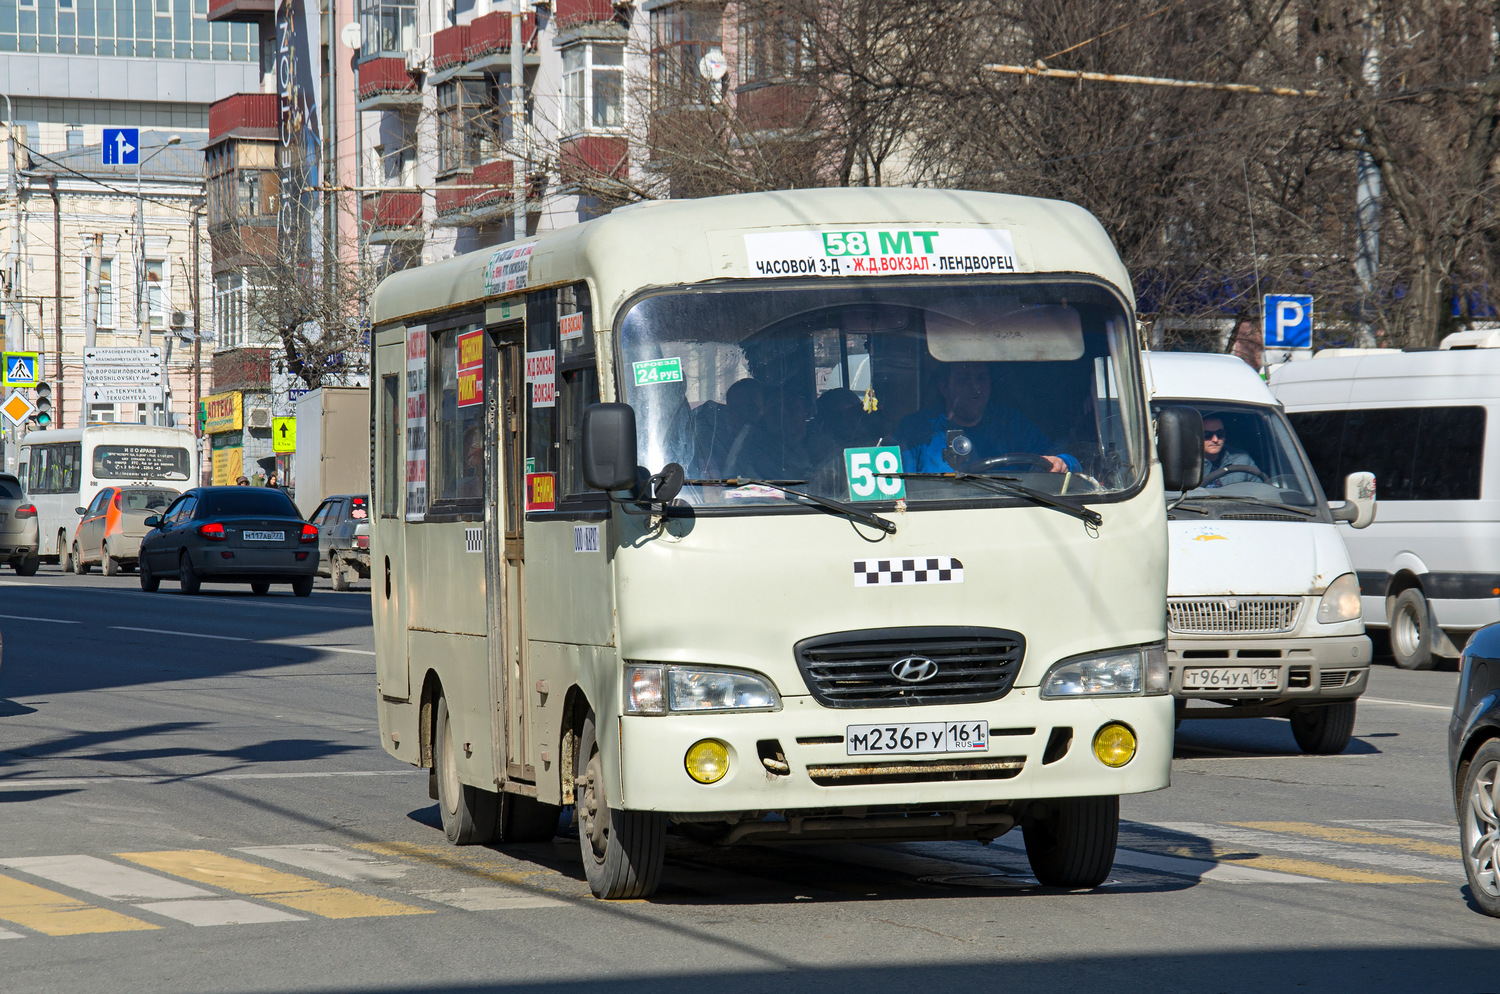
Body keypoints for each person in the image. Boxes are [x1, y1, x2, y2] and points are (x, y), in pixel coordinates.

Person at [896, 362, 1079, 474]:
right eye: (964, 379)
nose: (975, 387)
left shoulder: (1013, 424)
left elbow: (1060, 459)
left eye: (981, 378)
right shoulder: (916, 431)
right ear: (944, 387)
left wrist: (1063, 462)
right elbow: (896, 485)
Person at [1201, 414, 1259, 487]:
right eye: (1207, 434)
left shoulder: (1242, 460)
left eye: (1219, 434)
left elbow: (1259, 489)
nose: (1215, 440)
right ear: (1197, 437)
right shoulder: (1185, 463)